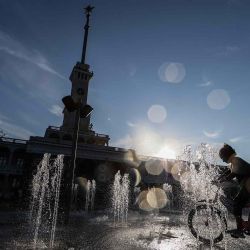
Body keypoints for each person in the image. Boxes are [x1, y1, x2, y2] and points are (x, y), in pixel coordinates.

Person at [219, 144, 250, 238]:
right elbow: (228, 172)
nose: (222, 160)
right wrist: (218, 178)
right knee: (242, 203)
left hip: (248, 185)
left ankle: (239, 230)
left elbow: (232, 174)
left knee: (237, 204)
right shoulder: (233, 162)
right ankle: (246, 227)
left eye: (222, 157)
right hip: (246, 185)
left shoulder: (236, 160)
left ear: (226, 155)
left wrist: (224, 179)